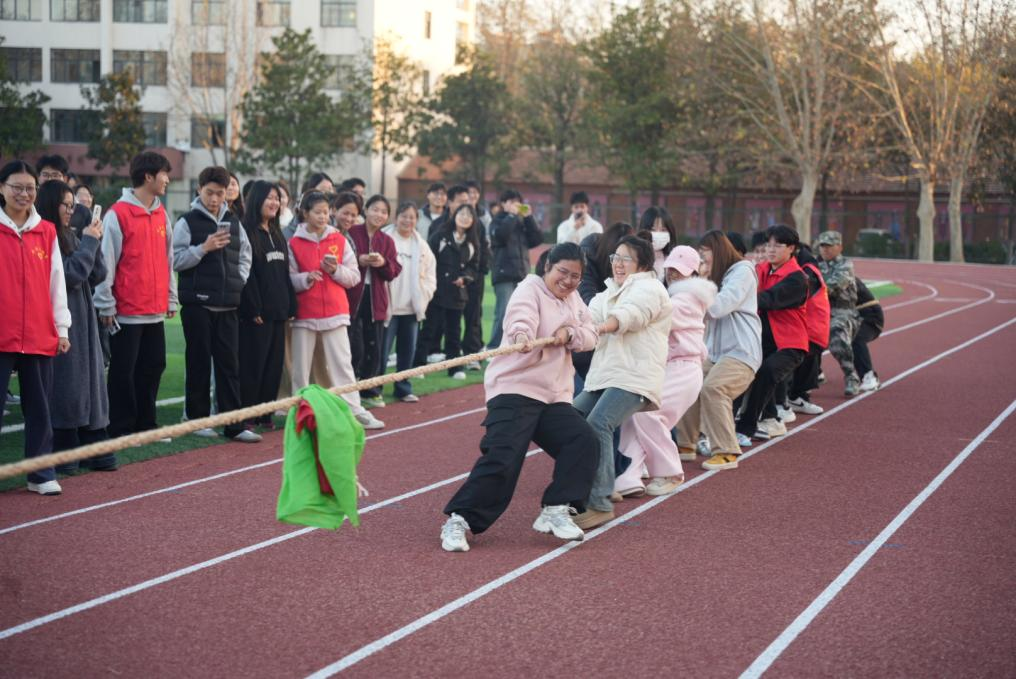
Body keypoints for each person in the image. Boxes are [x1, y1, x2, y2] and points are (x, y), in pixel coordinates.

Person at [440, 242, 600, 552]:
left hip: (553, 396)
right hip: (515, 388)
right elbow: (519, 318)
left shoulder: (574, 300)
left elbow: (591, 335)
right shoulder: (529, 289)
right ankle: (459, 520)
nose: (568, 281)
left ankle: (556, 508)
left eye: (575, 276)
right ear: (547, 267)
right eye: (562, 272)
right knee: (504, 457)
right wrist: (522, 335)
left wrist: (570, 334)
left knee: (584, 440)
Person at [573, 235, 672, 529]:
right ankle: (601, 481)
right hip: (606, 375)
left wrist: (601, 327)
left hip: (634, 376)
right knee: (571, 419)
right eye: (615, 257)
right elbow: (584, 316)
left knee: (598, 423)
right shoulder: (608, 292)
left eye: (625, 258)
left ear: (641, 263)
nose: (617, 263)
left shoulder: (651, 289)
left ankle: (601, 502)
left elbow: (631, 315)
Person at [614, 246, 716, 497]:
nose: (673, 274)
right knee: (634, 417)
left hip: (683, 369)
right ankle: (627, 476)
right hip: (671, 368)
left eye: (679, 271)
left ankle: (670, 472)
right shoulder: (679, 296)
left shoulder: (687, 298)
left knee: (648, 415)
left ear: (693, 273)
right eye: (671, 269)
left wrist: (623, 310)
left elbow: (657, 317)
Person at [94, 151, 177, 440]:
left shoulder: (162, 214)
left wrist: (170, 297)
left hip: (154, 310)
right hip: (126, 311)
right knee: (123, 372)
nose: (167, 180)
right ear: (148, 176)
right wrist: (106, 303)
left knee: (153, 366)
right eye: (164, 174)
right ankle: (119, 428)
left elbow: (168, 260)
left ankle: (146, 425)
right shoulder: (117, 214)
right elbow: (105, 262)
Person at [172, 166, 258, 443]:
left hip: (228, 306)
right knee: (198, 364)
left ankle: (234, 425)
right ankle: (197, 420)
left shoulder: (234, 222)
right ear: (199, 189)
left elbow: (245, 256)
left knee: (229, 366)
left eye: (220, 193)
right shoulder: (187, 221)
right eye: (209, 192)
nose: (214, 199)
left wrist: (237, 282)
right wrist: (203, 248)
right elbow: (175, 260)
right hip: (197, 306)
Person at [0, 161, 71, 495]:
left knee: (40, 408)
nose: (24, 193)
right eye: (17, 187)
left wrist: (62, 328)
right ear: (2, 188)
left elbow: (57, 282)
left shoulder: (47, 231)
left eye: (30, 188)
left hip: (39, 333)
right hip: (2, 333)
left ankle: (41, 474)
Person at [36, 180, 116, 474]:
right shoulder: (44, 236)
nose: (70, 211)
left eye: (73, 205)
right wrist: (90, 243)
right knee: (68, 384)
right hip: (60, 323)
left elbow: (96, 274)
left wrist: (94, 240)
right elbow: (72, 274)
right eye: (65, 205)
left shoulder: (70, 234)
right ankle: (66, 443)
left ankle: (92, 438)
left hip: (84, 319)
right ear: (51, 204)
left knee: (91, 381)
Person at [288, 191, 383, 429]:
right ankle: (301, 412)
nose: (322, 217)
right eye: (317, 212)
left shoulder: (339, 240)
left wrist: (334, 270)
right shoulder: (294, 243)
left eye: (325, 212)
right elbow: (288, 279)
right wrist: (305, 279)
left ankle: (355, 410)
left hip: (336, 311)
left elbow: (353, 277)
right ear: (305, 213)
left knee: (342, 365)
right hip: (304, 314)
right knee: (300, 369)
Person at [676, 231, 762, 470]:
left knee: (714, 388)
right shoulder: (718, 276)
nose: (702, 259)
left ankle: (726, 450)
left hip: (741, 352)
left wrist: (700, 282)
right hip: (716, 353)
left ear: (719, 250)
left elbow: (718, 307)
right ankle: (685, 444)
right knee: (689, 383)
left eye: (705, 253)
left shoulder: (742, 271)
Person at [734, 225, 808, 444]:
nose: (771, 249)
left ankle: (745, 428)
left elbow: (768, 299)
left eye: (778, 245)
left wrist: (733, 299)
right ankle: (766, 419)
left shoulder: (797, 279)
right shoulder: (760, 270)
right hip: (763, 340)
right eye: (768, 245)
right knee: (740, 368)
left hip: (790, 343)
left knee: (766, 372)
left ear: (791, 248)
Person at [239, 181, 296, 430]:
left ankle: (265, 413)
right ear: (256, 200)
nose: (274, 203)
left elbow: (284, 273)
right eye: (269, 198)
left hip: (278, 312)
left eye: (277, 198)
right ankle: (247, 413)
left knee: (273, 366)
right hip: (257, 314)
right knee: (254, 364)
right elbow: (247, 274)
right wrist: (253, 308)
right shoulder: (246, 231)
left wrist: (290, 304)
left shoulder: (276, 233)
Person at [347, 195, 402, 408]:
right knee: (353, 345)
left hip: (376, 299)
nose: (379, 214)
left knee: (374, 346)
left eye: (384, 212)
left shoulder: (387, 240)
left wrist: (382, 263)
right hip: (352, 297)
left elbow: (394, 270)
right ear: (366, 210)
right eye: (375, 209)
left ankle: (371, 390)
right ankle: (349, 389)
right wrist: (359, 260)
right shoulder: (352, 233)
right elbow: (343, 259)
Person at [381, 202, 436, 402]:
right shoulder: (384, 238)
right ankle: (374, 389)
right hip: (388, 307)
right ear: (396, 218)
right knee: (382, 352)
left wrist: (424, 295)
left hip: (411, 309)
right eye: (403, 216)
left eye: (411, 217)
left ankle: (403, 388)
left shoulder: (421, 245)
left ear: (416, 220)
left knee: (407, 353)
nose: (407, 221)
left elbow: (430, 275)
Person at [420, 204, 481, 379]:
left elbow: (473, 267)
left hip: (457, 294)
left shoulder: (472, 243)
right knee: (429, 330)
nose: (465, 218)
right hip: (437, 292)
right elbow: (427, 261)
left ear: (473, 221)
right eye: (462, 214)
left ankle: (455, 368)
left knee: (454, 333)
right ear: (454, 215)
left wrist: (465, 278)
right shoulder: (440, 236)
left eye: (469, 215)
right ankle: (418, 365)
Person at [488, 189, 544, 350]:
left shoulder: (521, 223)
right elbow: (500, 236)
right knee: (503, 312)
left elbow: (537, 239)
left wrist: (529, 218)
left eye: (517, 202)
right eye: (511, 202)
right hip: (503, 275)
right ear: (503, 204)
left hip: (521, 274)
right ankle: (494, 347)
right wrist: (512, 216)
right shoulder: (497, 221)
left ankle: (513, 346)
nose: (515, 205)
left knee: (522, 312)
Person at [816, 230, 861, 396]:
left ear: (840, 247)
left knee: (836, 333)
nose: (825, 249)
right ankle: (809, 376)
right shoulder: (816, 265)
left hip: (842, 312)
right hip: (820, 311)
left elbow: (831, 287)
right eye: (822, 246)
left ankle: (851, 376)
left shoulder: (845, 265)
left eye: (829, 246)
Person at [787, 244, 830, 416]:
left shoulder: (807, 271)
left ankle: (795, 397)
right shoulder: (807, 267)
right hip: (811, 326)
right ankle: (791, 398)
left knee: (805, 360)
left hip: (810, 327)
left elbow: (796, 295)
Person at [36, 154, 92, 234]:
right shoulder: (29, 208)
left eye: (55, 175)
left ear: (65, 179)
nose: (50, 179)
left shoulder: (82, 212)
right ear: (38, 177)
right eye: (46, 175)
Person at [853, 278, 883, 392]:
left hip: (870, 316)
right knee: (815, 337)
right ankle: (815, 374)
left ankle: (869, 376)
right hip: (850, 317)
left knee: (856, 338)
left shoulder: (842, 275)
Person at [639, 205, 679, 280]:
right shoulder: (636, 258)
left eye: (663, 230)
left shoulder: (675, 260)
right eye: (653, 230)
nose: (658, 234)